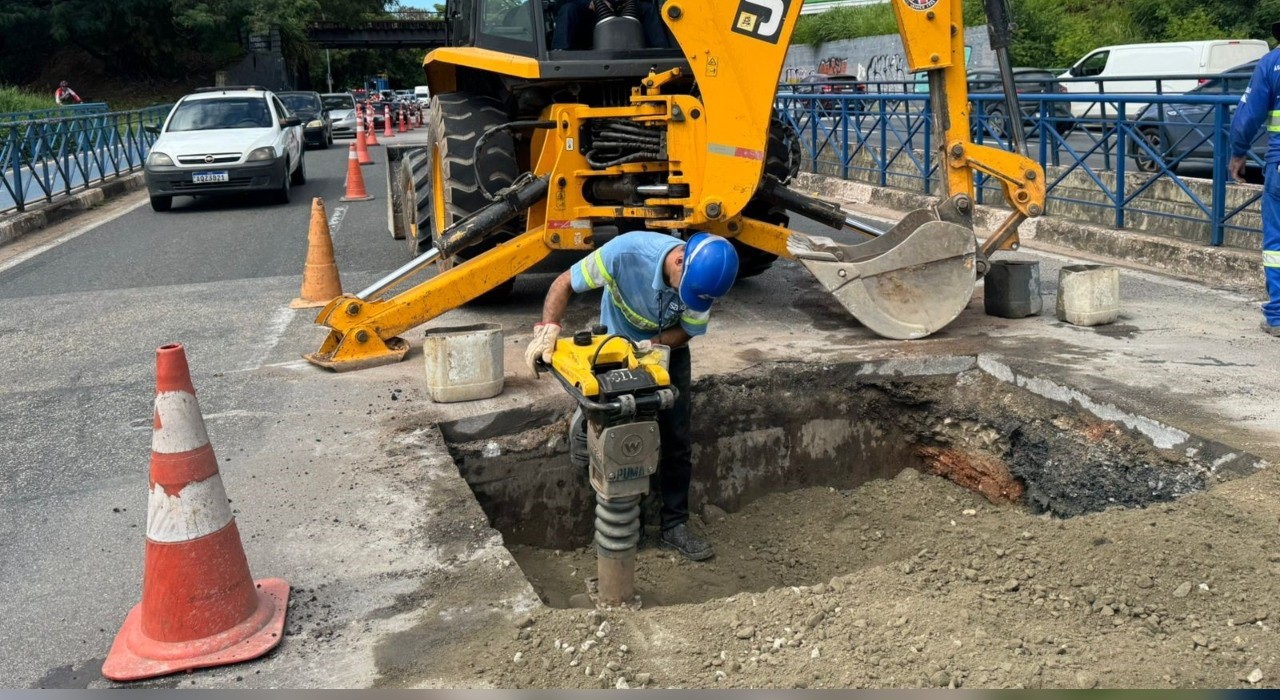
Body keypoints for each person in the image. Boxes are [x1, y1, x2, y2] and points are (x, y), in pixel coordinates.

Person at [524, 231, 738, 561]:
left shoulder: (702, 283)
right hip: (614, 348)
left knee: (676, 437)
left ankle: (675, 525)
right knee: (615, 432)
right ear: (680, 260)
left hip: (665, 351)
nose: (689, 298)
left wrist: (653, 346)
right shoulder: (625, 253)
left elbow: (689, 329)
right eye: (687, 290)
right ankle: (625, 522)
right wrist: (548, 328)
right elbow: (564, 282)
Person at [1229, 21, 1280, 336]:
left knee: (1277, 244)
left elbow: (1248, 115)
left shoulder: (1272, 63)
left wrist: (1238, 152)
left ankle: (1278, 315)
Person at [550, 0, 671, 51]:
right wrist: (590, 2)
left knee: (649, 9)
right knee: (568, 9)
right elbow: (559, 4)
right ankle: (560, 49)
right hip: (589, 17)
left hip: (625, 12)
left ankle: (662, 50)